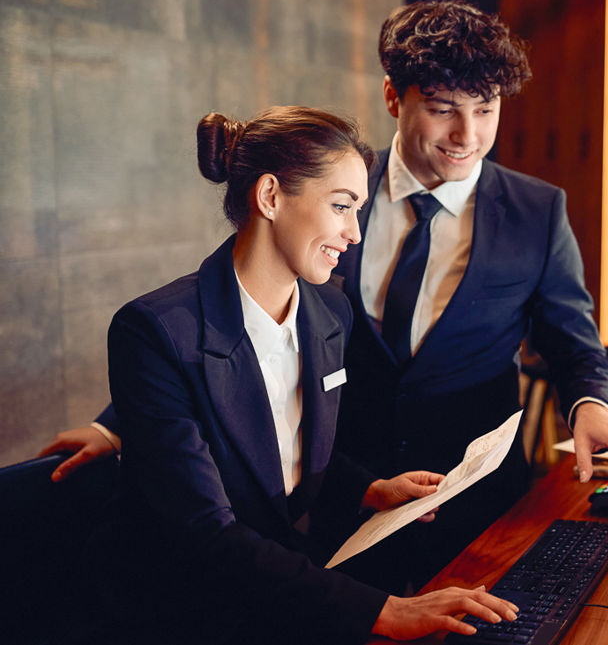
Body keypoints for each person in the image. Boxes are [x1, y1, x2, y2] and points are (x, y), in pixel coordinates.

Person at [41, 0, 608, 594]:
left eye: (486, 110)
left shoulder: (536, 210)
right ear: (394, 97)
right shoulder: (328, 180)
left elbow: (573, 342)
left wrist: (591, 402)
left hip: (471, 500)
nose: (467, 135)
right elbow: (228, 322)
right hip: (344, 489)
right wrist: (122, 424)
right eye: (443, 109)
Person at [67, 106, 517, 644]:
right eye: (341, 206)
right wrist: (383, 610)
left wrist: (369, 489)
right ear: (270, 197)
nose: (354, 233)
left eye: (358, 210)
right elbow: (206, 533)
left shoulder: (331, 311)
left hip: (275, 586)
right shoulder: (154, 330)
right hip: (179, 609)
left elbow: (284, 448)